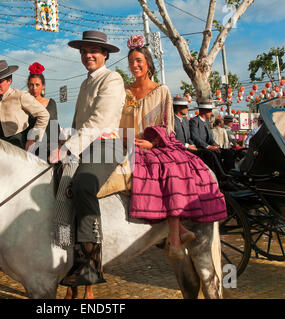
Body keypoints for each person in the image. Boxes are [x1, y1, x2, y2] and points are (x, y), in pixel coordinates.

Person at [120, 35, 226, 259]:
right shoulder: (125, 91)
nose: (134, 66)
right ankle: (178, 230)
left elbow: (167, 126)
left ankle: (175, 234)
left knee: (173, 167)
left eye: (139, 60)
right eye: (131, 62)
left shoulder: (162, 90)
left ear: (148, 62)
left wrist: (152, 143)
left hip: (155, 142)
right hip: (128, 142)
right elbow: (120, 120)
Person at [53, 31, 126, 287]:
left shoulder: (112, 79)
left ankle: (93, 264)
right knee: (57, 182)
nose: (88, 56)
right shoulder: (85, 83)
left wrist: (68, 148)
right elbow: (78, 122)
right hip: (86, 145)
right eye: (84, 51)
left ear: (105, 54)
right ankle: (68, 249)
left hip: (107, 145)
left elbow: (98, 121)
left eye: (93, 51)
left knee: (83, 185)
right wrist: (63, 143)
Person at [0, 59, 49, 150]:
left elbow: (44, 114)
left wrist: (32, 138)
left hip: (18, 144)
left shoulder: (20, 95)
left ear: (9, 81)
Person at [27, 62, 60, 158]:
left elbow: (54, 125)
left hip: (50, 149)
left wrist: (56, 147)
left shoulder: (51, 103)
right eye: (31, 85)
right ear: (28, 85)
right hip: (31, 149)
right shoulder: (25, 104)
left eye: (37, 84)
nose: (34, 88)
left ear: (43, 85)